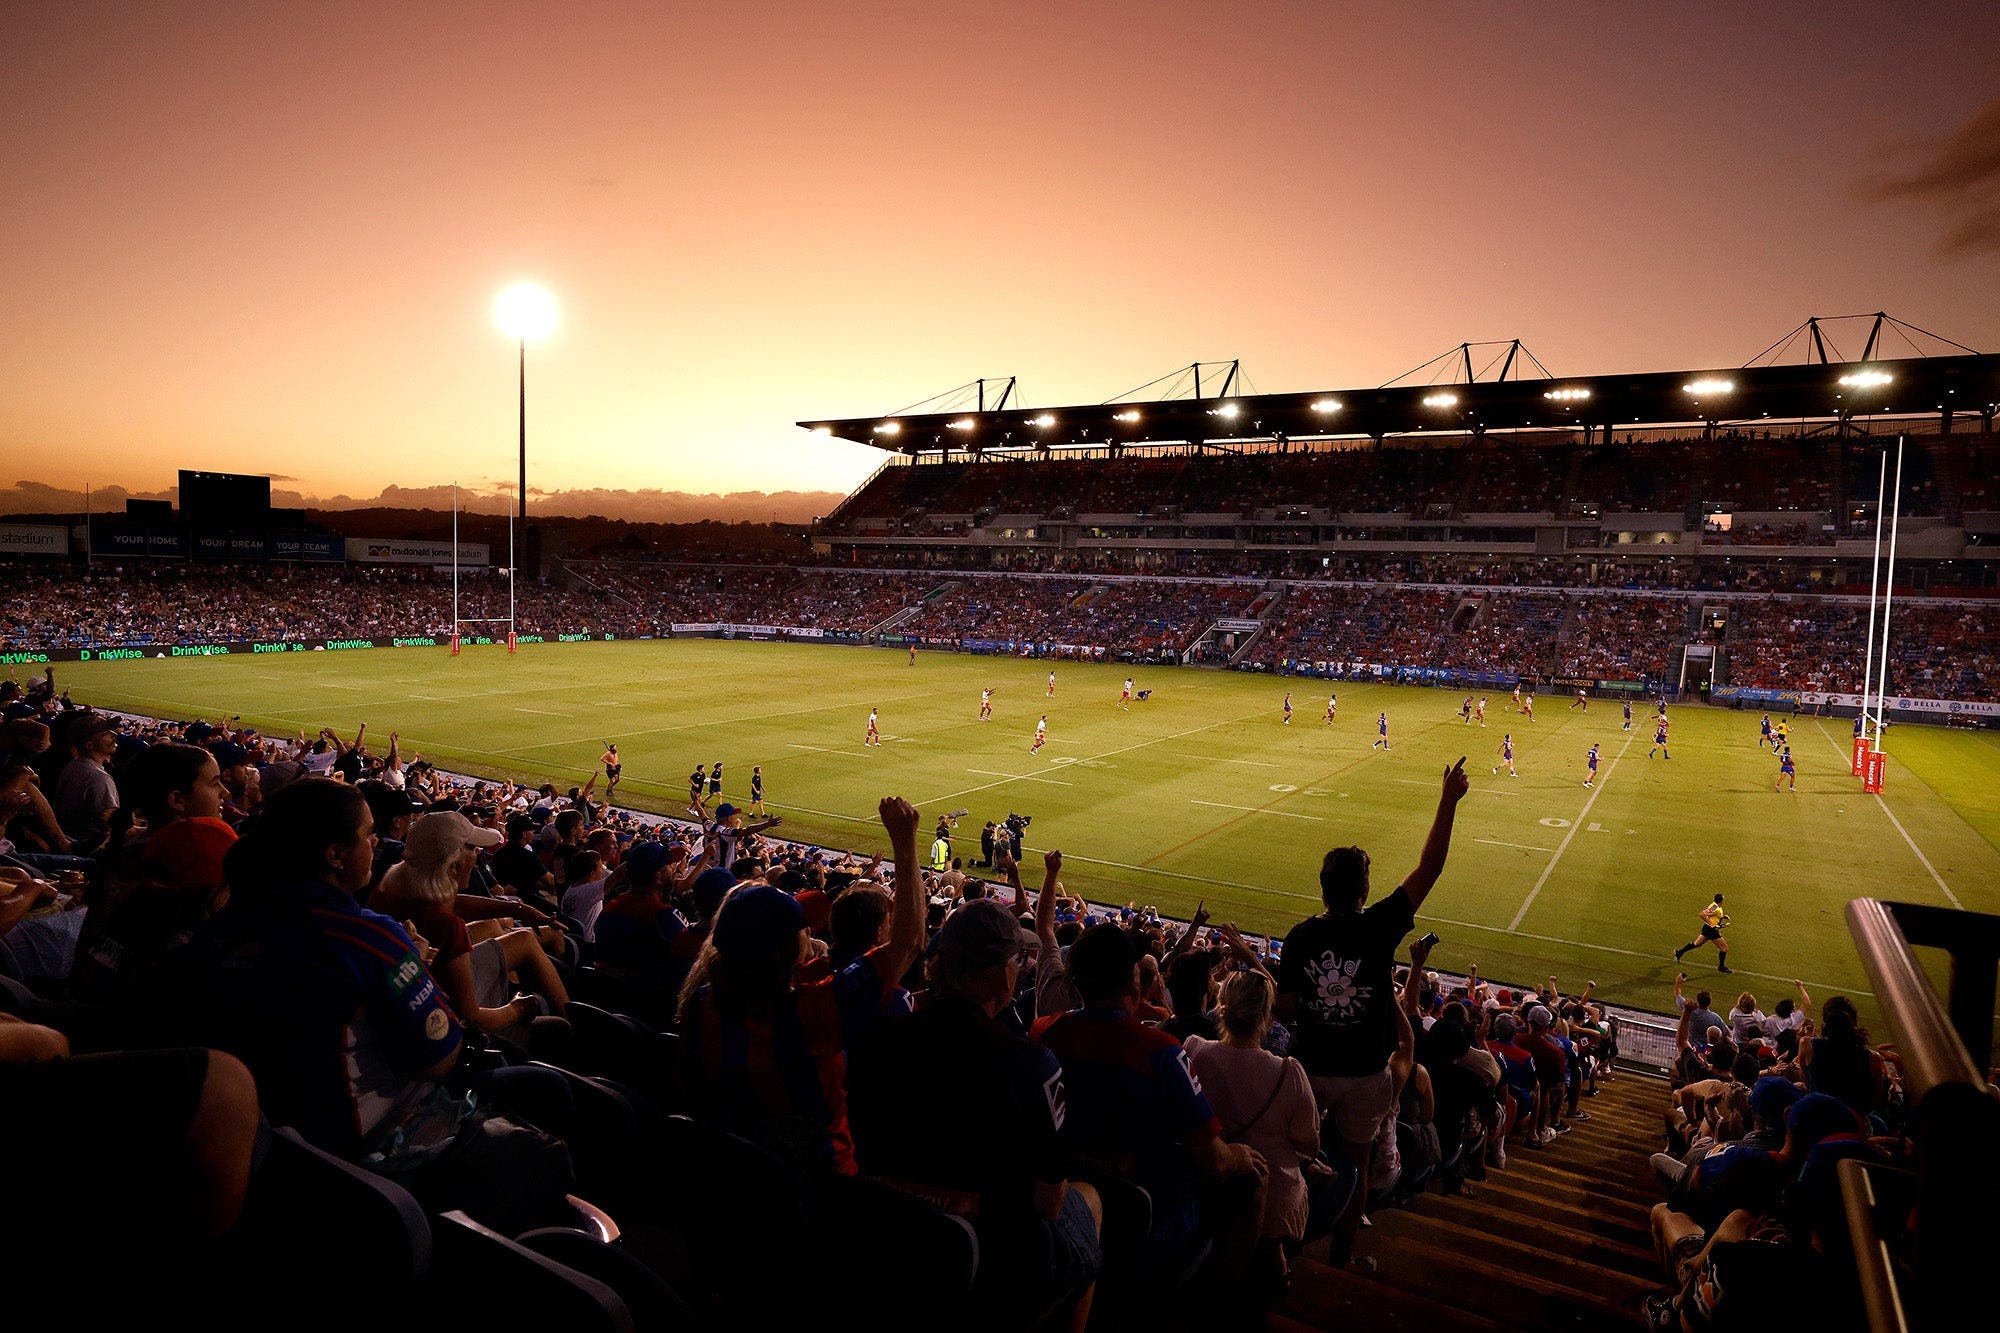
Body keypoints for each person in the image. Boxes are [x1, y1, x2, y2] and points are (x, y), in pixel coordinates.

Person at [848, 898, 1103, 1332]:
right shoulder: (1031, 1064)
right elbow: (1049, 1201)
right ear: (999, 974)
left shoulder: (876, 1036)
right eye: (1014, 962)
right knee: (1089, 1201)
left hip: (879, 1234)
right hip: (984, 1256)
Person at [1277, 758, 1468, 1267]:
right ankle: (1341, 1255)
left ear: (1323, 888)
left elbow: (1287, 1006)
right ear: (1363, 892)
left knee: (1297, 1158)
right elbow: (1429, 870)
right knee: (1355, 1165)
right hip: (1365, 1074)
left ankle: (1284, 1250)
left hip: (1311, 1069)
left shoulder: (1299, 937)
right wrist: (1447, 801)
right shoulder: (1380, 927)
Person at [676, 796, 926, 1172]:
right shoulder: (807, 1014)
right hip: (818, 1178)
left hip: (730, 1162)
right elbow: (908, 943)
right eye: (801, 929)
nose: (810, 932)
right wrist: (905, 842)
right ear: (783, 951)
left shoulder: (702, 999)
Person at [1033, 923, 1267, 1273]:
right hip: (1148, 1217)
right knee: (1251, 1177)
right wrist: (1236, 1155)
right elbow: (1214, 1161)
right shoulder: (1160, 1052)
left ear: (1073, 982)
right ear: (1134, 982)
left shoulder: (1043, 1033)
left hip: (1071, 1198)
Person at [1183, 969, 1327, 1273]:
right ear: (1266, 1014)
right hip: (1271, 1199)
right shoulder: (1289, 1072)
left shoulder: (1193, 1050)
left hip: (1201, 1176)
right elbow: (1309, 1144)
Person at [1674, 894, 1732, 974]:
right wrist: (1711, 924)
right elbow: (1702, 914)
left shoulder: (1716, 907)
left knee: (1697, 944)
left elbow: (1713, 916)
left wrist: (1723, 917)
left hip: (1708, 929)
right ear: (1721, 900)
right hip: (1711, 930)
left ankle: (1679, 952)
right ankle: (1721, 967)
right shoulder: (1715, 907)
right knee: (1724, 948)